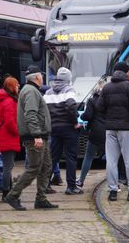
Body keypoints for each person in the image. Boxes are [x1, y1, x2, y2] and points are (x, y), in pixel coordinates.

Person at [5, 65, 58, 211]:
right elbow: (30, 114)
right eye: (41, 75)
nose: (42, 77)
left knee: (46, 166)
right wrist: (36, 135)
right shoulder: (31, 91)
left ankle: (41, 198)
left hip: (41, 136)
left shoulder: (31, 90)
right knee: (34, 168)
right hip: (35, 137)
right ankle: (13, 195)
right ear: (37, 77)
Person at [95, 62, 129, 202]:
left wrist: (110, 116)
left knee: (111, 161)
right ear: (126, 73)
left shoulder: (107, 88)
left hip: (110, 128)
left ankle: (112, 191)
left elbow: (99, 107)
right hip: (127, 129)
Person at [45, 67, 82, 195]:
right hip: (68, 127)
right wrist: (75, 122)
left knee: (53, 157)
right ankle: (71, 186)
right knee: (71, 156)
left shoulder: (48, 92)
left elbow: (45, 111)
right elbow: (71, 106)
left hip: (54, 127)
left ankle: (45, 184)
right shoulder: (69, 90)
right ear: (68, 79)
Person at [0, 77, 20, 201]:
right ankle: (6, 193)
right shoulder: (9, 102)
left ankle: (8, 190)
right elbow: (10, 122)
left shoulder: (5, 101)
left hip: (5, 136)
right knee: (8, 167)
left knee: (7, 165)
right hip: (8, 137)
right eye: (16, 85)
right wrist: (18, 132)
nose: (18, 87)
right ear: (11, 87)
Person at [77, 78, 107, 187]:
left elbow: (88, 116)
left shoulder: (92, 100)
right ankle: (115, 184)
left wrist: (81, 115)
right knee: (111, 159)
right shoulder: (109, 100)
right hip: (108, 132)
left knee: (88, 156)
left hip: (95, 132)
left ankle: (81, 181)